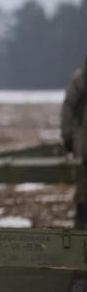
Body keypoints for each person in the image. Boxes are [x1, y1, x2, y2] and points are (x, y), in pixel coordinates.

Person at [61, 55, 87, 229]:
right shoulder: (80, 80)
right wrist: (68, 136)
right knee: (83, 182)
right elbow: (68, 108)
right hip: (82, 136)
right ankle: (81, 222)